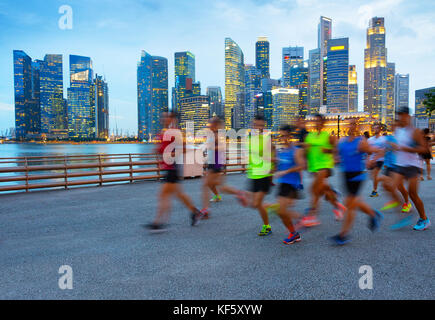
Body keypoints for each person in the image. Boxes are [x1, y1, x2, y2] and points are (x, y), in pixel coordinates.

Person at [146, 112, 202, 232]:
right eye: (163, 116)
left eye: (168, 117)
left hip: (172, 167)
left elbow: (184, 149)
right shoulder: (163, 133)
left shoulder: (176, 132)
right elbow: (162, 148)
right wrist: (157, 150)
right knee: (179, 195)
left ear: (172, 119)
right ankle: (196, 212)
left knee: (163, 195)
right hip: (167, 167)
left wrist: (169, 154)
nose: (164, 118)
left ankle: (159, 222)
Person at [331, 119, 384, 245]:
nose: (351, 126)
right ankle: (373, 214)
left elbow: (380, 151)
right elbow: (335, 156)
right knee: (353, 202)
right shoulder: (342, 142)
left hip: (357, 175)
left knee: (350, 205)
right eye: (349, 123)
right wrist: (336, 159)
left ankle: (343, 234)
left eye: (354, 124)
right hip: (345, 175)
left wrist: (372, 160)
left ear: (357, 127)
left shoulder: (361, 142)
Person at [300, 113, 345, 227]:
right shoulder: (309, 136)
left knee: (314, 189)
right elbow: (305, 152)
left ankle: (312, 215)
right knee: (323, 190)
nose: (317, 123)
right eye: (315, 121)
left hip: (325, 165)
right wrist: (305, 154)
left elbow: (336, 150)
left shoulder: (328, 136)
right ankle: (337, 205)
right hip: (314, 167)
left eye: (320, 121)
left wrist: (328, 150)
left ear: (324, 123)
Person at [390, 107, 430, 231]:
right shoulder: (397, 130)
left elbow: (424, 149)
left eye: (402, 115)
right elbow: (398, 145)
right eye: (399, 115)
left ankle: (424, 218)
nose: (400, 118)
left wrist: (407, 149)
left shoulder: (415, 132)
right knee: (391, 187)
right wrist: (394, 147)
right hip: (400, 164)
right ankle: (403, 213)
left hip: (413, 165)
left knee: (413, 194)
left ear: (408, 116)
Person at [273, 125, 305, 244]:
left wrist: (286, 171)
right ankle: (294, 232)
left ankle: (299, 221)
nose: (283, 138)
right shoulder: (280, 151)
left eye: (285, 136)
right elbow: (278, 166)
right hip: (282, 183)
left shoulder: (296, 151)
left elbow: (302, 166)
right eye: (281, 136)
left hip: (291, 184)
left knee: (281, 210)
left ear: (290, 136)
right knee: (281, 211)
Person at [379, 121, 412, 213]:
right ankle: (395, 200)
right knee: (385, 185)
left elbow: (403, 149)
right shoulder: (389, 137)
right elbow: (385, 150)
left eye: (395, 126)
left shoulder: (402, 138)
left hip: (398, 164)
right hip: (389, 165)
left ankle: (406, 203)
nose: (393, 127)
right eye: (392, 125)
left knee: (398, 186)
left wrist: (394, 146)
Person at [367, 123, 387, 197]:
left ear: (380, 129)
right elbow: (368, 152)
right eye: (374, 128)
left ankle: (374, 191)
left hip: (380, 160)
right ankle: (387, 180)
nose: (375, 129)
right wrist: (368, 160)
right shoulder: (370, 140)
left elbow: (384, 151)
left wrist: (376, 158)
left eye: (377, 128)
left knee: (375, 174)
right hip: (372, 160)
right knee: (372, 176)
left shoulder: (383, 139)